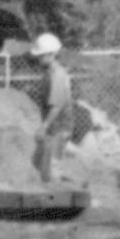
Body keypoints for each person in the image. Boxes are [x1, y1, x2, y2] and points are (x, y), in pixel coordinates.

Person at [28, 32, 73, 183]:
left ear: (52, 54)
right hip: (54, 127)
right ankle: (50, 199)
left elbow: (57, 105)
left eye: (41, 55)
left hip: (59, 127)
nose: (38, 58)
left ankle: (56, 201)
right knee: (43, 166)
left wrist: (44, 126)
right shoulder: (49, 72)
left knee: (53, 168)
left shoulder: (57, 75)